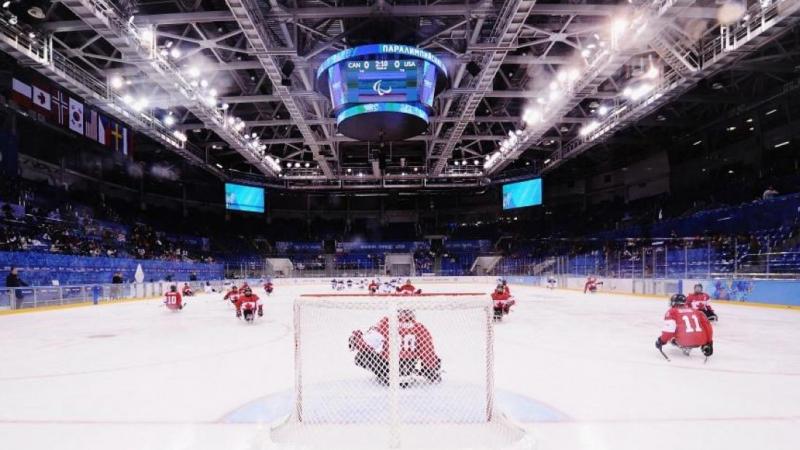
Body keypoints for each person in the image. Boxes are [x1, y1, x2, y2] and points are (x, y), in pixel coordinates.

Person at [348, 309, 441, 386]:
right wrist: (430, 368)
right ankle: (405, 374)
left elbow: (370, 341)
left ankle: (387, 375)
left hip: (388, 365)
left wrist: (357, 340)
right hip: (408, 364)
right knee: (431, 360)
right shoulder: (419, 328)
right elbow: (427, 350)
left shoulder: (387, 322)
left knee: (360, 357)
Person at [655, 294, 713, 358]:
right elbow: (708, 328)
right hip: (701, 341)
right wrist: (708, 343)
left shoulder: (672, 312)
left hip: (684, 342)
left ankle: (685, 347)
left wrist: (661, 341)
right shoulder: (697, 311)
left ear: (674, 302)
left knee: (673, 332)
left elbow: (669, 331)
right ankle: (696, 345)